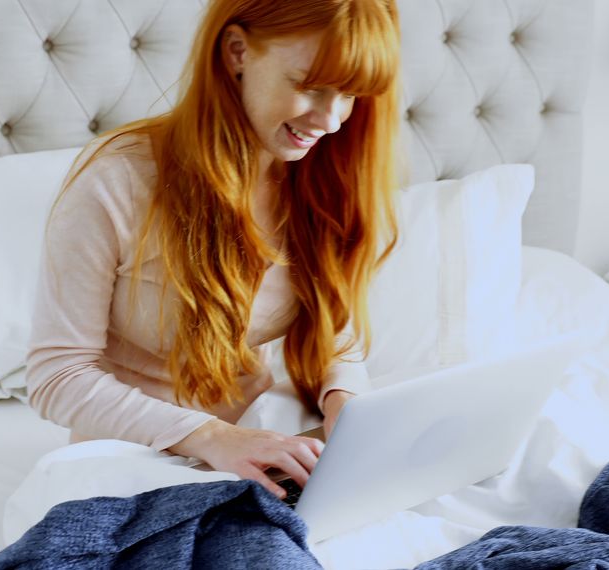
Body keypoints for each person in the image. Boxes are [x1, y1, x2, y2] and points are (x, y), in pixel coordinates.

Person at [25, 0, 402, 500]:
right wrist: (214, 438)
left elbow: (335, 336)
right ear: (237, 51)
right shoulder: (117, 180)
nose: (331, 121)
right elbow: (58, 375)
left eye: (349, 95)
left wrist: (344, 404)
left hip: (264, 442)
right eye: (310, 85)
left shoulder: (321, 179)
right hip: (134, 458)